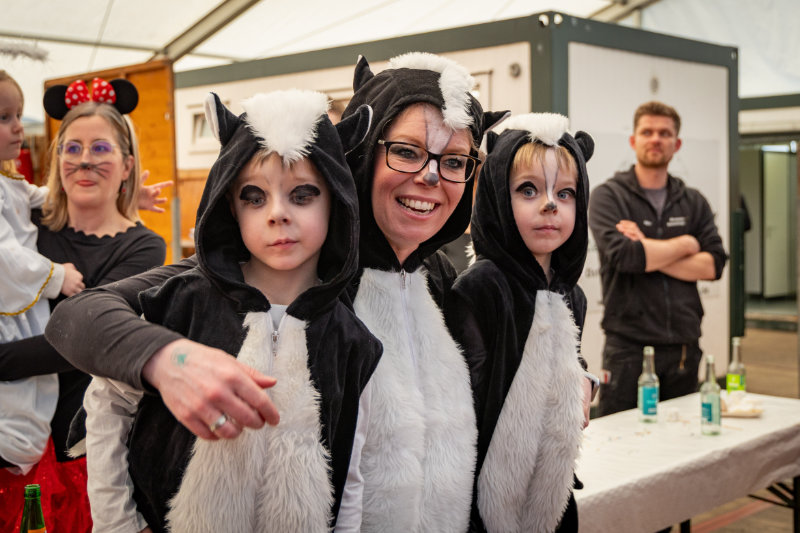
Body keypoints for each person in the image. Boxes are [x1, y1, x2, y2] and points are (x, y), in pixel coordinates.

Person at [46, 52, 506, 531]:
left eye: (455, 161)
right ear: (363, 153)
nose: (431, 176)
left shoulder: (439, 277)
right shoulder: (274, 266)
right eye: (407, 152)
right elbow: (83, 316)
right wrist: (170, 360)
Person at [81, 89, 380, 532]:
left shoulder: (351, 339)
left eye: (302, 194)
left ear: (336, 198)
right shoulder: (182, 303)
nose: (277, 213)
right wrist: (119, 523)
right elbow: (107, 401)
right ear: (230, 205)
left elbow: (351, 470)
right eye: (254, 197)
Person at [0, 76, 167, 531]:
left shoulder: (143, 248)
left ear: (128, 164)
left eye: (100, 149)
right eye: (72, 149)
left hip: (81, 450)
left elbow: (84, 340)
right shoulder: (28, 221)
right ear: (57, 160)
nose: (84, 160)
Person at [446, 113, 595, 533]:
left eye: (565, 193)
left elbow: (568, 365)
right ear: (497, 195)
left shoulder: (571, 295)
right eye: (528, 190)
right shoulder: (481, 287)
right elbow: (463, 402)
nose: (549, 204)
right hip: (480, 502)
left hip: (552, 492)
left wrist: (584, 380)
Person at [588, 101, 727, 416]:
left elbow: (713, 265)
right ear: (633, 140)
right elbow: (625, 257)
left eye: (665, 133)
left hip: (684, 348)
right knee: (621, 438)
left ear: (677, 144)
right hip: (628, 349)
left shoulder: (693, 202)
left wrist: (648, 248)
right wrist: (686, 244)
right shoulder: (609, 196)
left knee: (683, 435)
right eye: (647, 132)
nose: (656, 139)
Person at [0, 70, 83, 477]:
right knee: (14, 405)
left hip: (20, 313)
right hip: (8, 311)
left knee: (30, 398)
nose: (19, 127)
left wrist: (120, 193)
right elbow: (2, 256)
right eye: (4, 118)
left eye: (18, 115)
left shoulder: (8, 179)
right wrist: (55, 275)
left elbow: (45, 197)